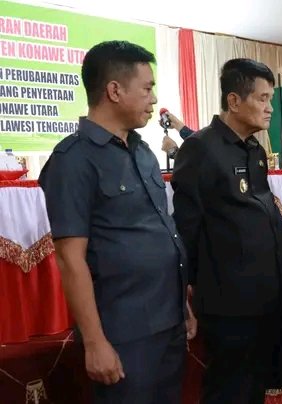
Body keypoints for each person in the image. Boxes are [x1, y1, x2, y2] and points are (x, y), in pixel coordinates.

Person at [39, 40, 194, 403]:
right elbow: (71, 260)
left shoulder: (142, 151)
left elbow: (162, 232)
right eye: (147, 88)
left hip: (169, 321)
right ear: (114, 91)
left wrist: (182, 306)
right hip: (124, 333)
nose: (154, 99)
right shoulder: (73, 160)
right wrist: (95, 342)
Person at [171, 58, 282, 404]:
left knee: (255, 383)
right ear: (234, 101)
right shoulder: (200, 148)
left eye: (270, 99)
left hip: (264, 291)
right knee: (228, 386)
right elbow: (187, 224)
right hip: (226, 297)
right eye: (263, 99)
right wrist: (187, 287)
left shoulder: (254, 149)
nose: (270, 108)